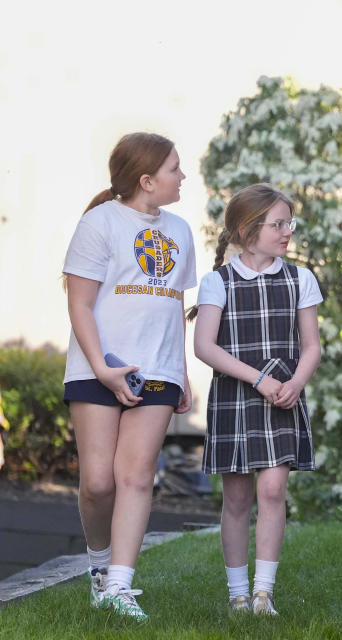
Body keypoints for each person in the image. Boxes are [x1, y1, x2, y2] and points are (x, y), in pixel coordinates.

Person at [62, 132, 196, 620]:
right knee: (98, 482)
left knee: (136, 476)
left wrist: (180, 372)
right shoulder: (98, 224)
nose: (183, 176)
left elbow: (175, 304)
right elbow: (78, 302)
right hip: (98, 367)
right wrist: (103, 368)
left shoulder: (180, 230)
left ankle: (119, 586)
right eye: (175, 168)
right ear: (147, 180)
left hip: (158, 371)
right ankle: (99, 569)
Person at [192, 184, 322, 616]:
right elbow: (205, 347)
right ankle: (238, 595)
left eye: (290, 223)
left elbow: (311, 346)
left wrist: (296, 383)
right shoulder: (218, 282)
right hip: (237, 397)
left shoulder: (300, 278)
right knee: (237, 500)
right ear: (248, 231)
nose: (287, 231)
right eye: (278, 224)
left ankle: (264, 594)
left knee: (272, 489)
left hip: (282, 397)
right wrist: (259, 379)